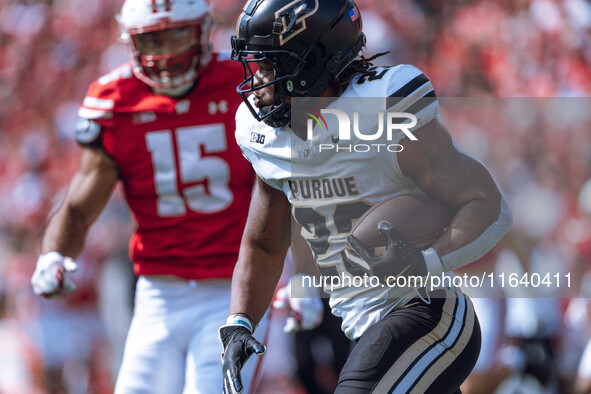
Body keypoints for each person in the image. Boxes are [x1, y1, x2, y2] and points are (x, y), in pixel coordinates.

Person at [218, 0, 513, 393]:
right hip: (360, 324)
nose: (258, 85)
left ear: (311, 62)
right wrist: (240, 322)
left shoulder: (384, 111)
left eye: (270, 68)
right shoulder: (269, 139)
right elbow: (265, 242)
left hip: (426, 311)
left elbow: (490, 207)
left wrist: (426, 262)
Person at [29, 0, 262, 392]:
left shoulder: (246, 82)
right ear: (132, 42)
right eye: (153, 39)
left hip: (234, 287)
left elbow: (288, 184)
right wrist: (55, 253)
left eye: (177, 34)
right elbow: (80, 202)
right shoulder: (115, 98)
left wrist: (300, 275)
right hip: (158, 292)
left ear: (203, 31)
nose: (167, 52)